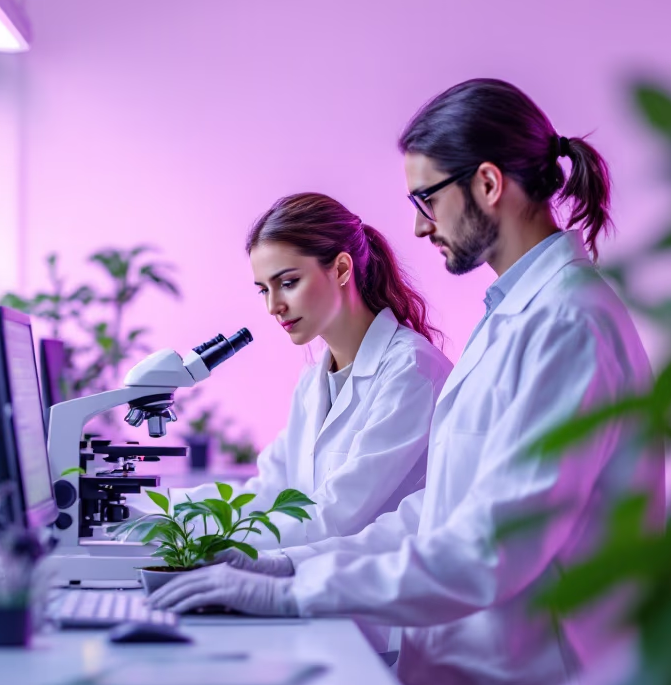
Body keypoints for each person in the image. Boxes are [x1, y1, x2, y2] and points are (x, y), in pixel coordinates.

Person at [149, 80, 664, 685]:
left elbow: (489, 549)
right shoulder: (511, 315)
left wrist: (295, 593)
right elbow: (435, 514)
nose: (419, 227)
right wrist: (278, 566)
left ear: (486, 184)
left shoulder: (566, 323)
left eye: (427, 200)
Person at [131, 193, 452, 550]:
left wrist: (212, 544)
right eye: (264, 290)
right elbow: (271, 491)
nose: (273, 306)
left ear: (343, 269)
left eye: (288, 282)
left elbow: (336, 516)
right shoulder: (313, 380)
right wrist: (149, 509)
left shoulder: (411, 370)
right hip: (320, 578)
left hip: (373, 586)